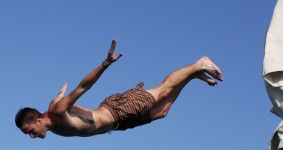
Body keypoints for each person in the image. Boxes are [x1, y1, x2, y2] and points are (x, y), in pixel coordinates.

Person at [14, 39, 222, 139]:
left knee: (162, 91)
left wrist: (106, 64)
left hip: (116, 110)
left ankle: (198, 64)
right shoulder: (53, 123)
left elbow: (83, 86)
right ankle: (192, 76)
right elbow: (59, 100)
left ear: (38, 120)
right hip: (117, 125)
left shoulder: (58, 112)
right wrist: (59, 94)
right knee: (162, 112)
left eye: (30, 131)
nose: (32, 136)